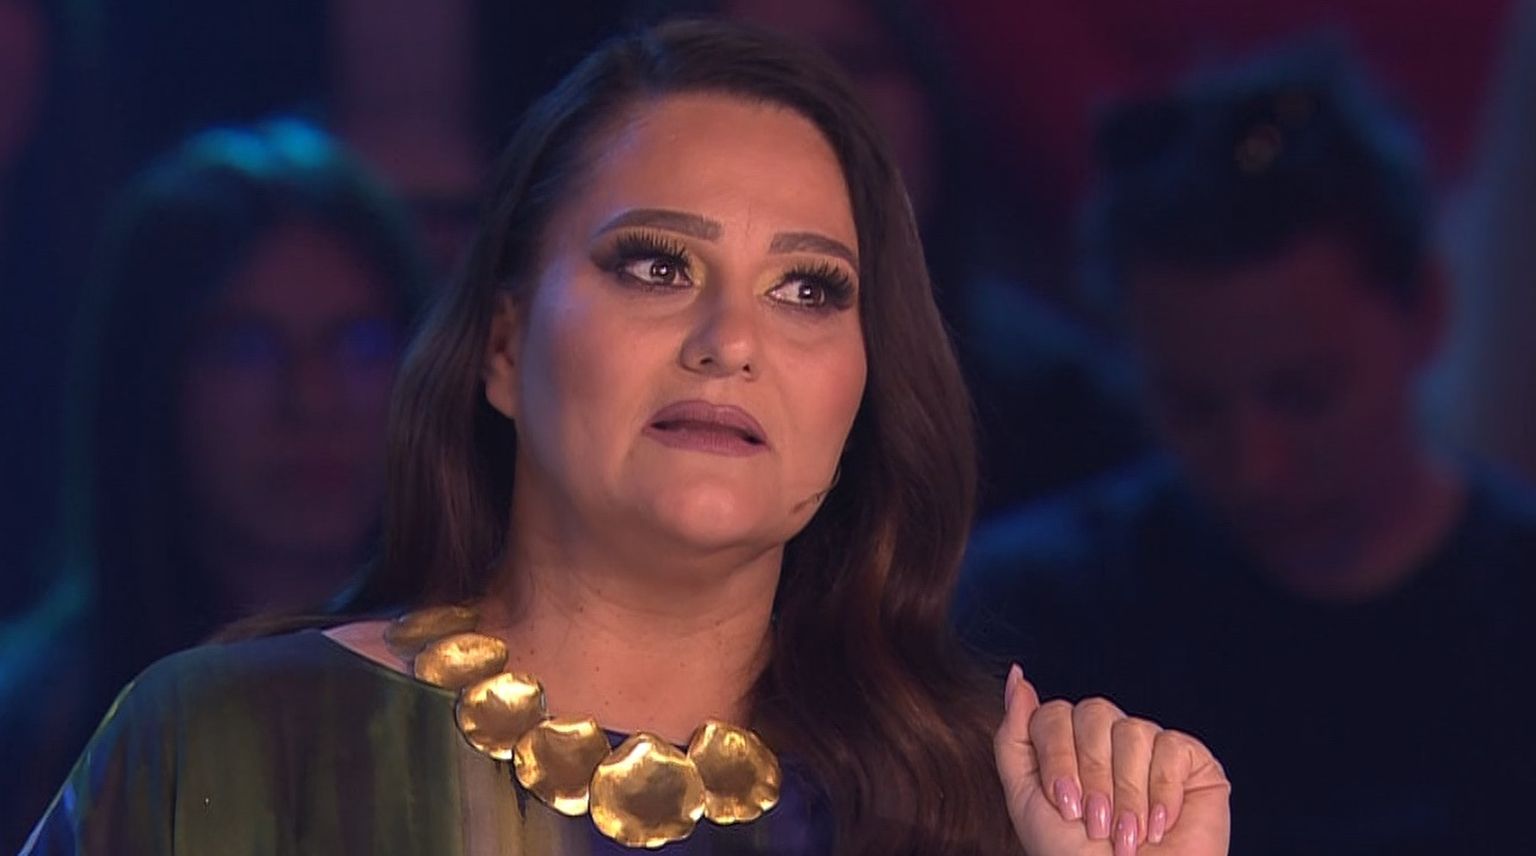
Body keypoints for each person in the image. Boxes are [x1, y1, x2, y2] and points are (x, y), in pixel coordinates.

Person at [24, 21, 1230, 855]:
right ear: (504, 344)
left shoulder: (982, 812)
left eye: (809, 288)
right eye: (657, 266)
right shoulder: (229, 742)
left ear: (866, 387)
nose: (731, 340)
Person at [956, 42, 1536, 856]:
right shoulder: (1027, 611)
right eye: (1193, 406)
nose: (1256, 465)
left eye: (1305, 395)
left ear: (1428, 312)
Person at [2, 118, 428, 852]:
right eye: (246, 348)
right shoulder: (31, 731)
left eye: (359, 345)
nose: (312, 400)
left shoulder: (512, 698)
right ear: (151, 381)